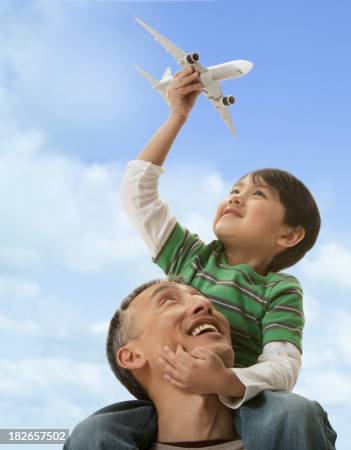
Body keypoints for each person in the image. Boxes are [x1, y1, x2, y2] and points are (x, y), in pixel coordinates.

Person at [66, 66, 336, 449]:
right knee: (95, 433)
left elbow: (283, 365)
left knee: (291, 414)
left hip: (239, 400)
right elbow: (137, 193)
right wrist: (177, 116)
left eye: (258, 195)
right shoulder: (190, 260)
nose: (236, 196)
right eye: (234, 189)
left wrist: (226, 382)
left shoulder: (280, 290)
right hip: (172, 398)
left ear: (288, 234)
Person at [66, 278, 335, 449]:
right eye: (168, 300)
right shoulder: (96, 440)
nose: (204, 302)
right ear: (132, 356)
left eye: (202, 298)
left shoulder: (295, 425)